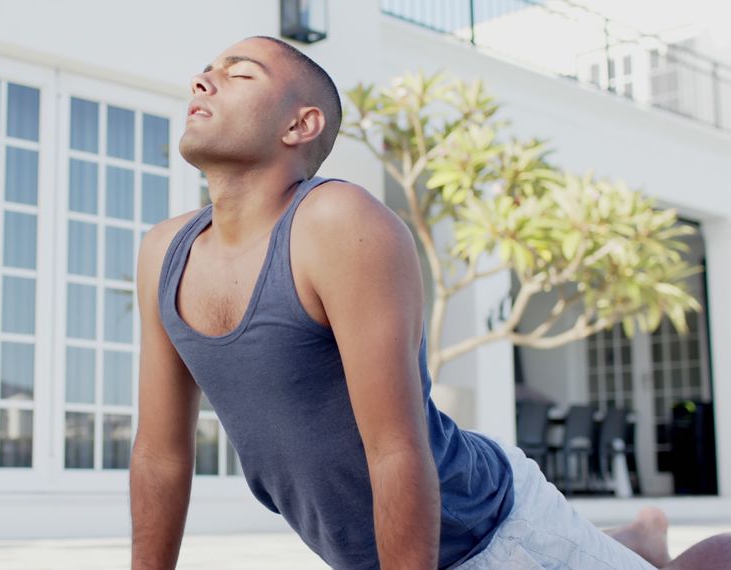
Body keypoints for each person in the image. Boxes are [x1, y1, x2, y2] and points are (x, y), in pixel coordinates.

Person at [128, 35, 731, 569]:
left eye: (240, 73)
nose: (203, 79)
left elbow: (395, 448)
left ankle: (643, 544)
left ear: (299, 125)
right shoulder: (165, 251)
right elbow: (160, 456)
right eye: (208, 68)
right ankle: (638, 540)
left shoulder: (338, 223)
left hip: (489, 534)